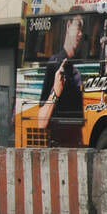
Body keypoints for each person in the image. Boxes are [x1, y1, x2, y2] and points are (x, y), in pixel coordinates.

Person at [37, 11, 86, 146]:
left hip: (75, 147)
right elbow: (41, 122)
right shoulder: (54, 64)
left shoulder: (76, 73)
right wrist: (56, 90)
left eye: (83, 30)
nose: (81, 34)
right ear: (68, 25)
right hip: (57, 147)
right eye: (78, 26)